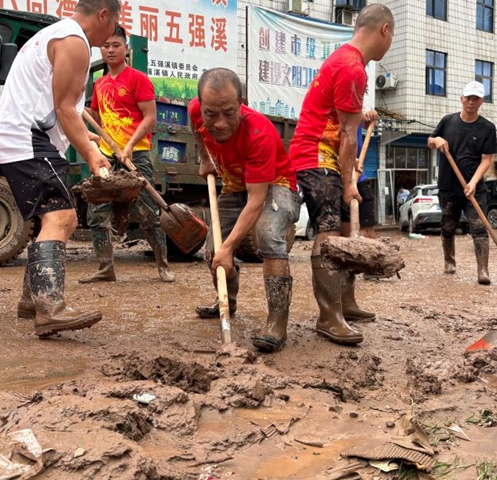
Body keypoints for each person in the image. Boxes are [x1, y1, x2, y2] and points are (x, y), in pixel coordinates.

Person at [0, 0, 119, 337]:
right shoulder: (74, 41)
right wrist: (91, 153)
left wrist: (84, 136)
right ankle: (51, 307)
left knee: (49, 217)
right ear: (104, 14)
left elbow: (57, 108)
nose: (111, 35)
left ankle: (31, 300)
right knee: (63, 218)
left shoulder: (56, 34)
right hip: (27, 138)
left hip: (22, 136)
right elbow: (64, 108)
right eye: (114, 23)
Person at [289, 4, 393, 346]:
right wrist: (349, 182)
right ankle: (328, 316)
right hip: (316, 155)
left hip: (327, 154)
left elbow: (346, 127)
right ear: (384, 31)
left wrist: (348, 176)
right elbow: (348, 136)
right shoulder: (352, 66)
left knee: (348, 230)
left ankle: (346, 302)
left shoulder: (345, 60)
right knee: (330, 232)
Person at [191, 68, 301, 353]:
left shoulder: (258, 132)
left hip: (275, 184)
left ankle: (277, 322)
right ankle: (227, 299)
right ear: (201, 105)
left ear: (241, 103)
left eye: (229, 113)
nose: (219, 123)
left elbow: (256, 201)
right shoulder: (196, 111)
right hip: (235, 183)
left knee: (268, 235)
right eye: (211, 114)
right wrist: (205, 158)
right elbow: (198, 130)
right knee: (213, 248)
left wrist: (230, 248)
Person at [79, 26, 174, 284]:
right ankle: (105, 268)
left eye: (116, 45)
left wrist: (130, 145)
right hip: (107, 156)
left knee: (146, 212)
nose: (110, 50)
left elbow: (150, 117)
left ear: (126, 48)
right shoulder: (100, 84)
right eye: (106, 45)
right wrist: (89, 127)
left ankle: (163, 265)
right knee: (97, 211)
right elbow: (98, 118)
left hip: (137, 154)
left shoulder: (137, 79)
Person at [428, 81, 496, 285]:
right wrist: (437, 141)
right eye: (468, 98)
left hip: (475, 188)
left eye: (476, 98)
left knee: (479, 227)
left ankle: (483, 270)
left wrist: (473, 183)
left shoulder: (487, 128)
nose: (471, 102)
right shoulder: (448, 122)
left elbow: (486, 159)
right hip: (449, 186)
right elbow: (430, 141)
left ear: (482, 101)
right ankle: (449, 262)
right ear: (462, 98)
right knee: (448, 227)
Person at [357, 111, 378, 239]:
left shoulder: (355, 109)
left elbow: (368, 122)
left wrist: (371, 115)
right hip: (340, 171)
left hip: (359, 174)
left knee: (367, 223)